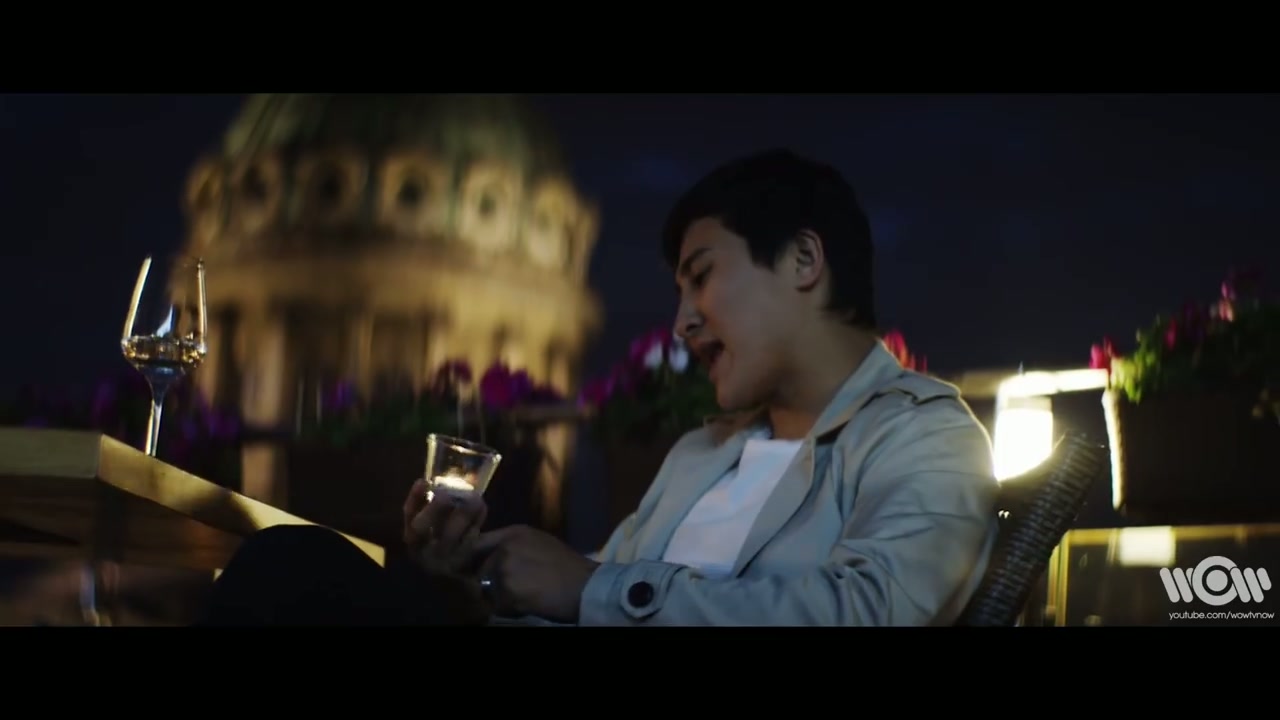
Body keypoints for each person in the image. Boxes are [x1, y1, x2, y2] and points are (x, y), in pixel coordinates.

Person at [199, 148, 999, 627]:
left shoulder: (924, 434)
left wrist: (591, 586)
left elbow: (871, 612)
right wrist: (468, 583)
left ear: (802, 261)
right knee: (293, 561)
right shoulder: (703, 453)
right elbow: (591, 598)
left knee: (288, 573)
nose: (682, 322)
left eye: (702, 276)